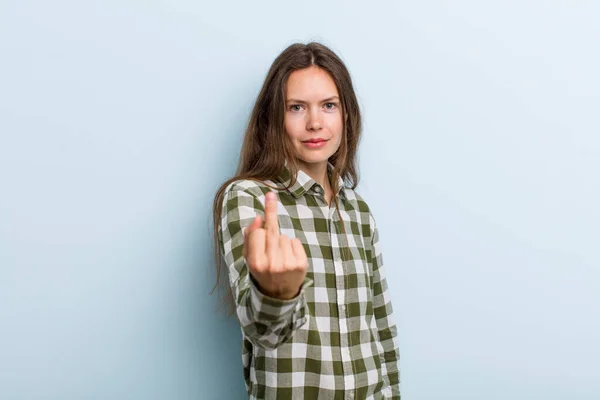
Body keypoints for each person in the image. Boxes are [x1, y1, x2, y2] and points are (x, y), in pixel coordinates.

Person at [211, 42, 400, 399]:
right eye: (296, 107)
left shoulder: (358, 212)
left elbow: (381, 329)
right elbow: (263, 331)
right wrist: (277, 293)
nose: (315, 123)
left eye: (329, 106)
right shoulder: (248, 198)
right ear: (274, 118)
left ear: (346, 115)